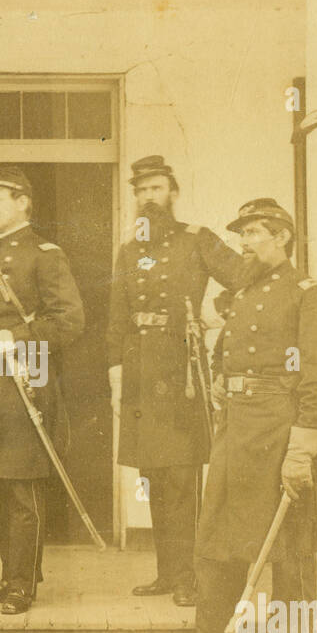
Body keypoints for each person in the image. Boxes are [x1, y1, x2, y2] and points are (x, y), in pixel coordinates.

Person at [159, 198, 317, 633]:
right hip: (235, 433)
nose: (245, 244)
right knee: (214, 553)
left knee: (287, 561)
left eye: (256, 234)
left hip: (281, 435)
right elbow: (230, 354)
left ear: (284, 237)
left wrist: (302, 451)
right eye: (242, 235)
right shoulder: (241, 294)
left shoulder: (311, 296)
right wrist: (223, 378)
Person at [107, 155, 244, 607]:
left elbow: (244, 277)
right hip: (143, 371)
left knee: (183, 477)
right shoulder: (128, 252)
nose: (149, 197)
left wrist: (223, 312)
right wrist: (115, 371)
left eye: (157, 188)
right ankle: (167, 574)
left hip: (182, 368)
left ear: (173, 192)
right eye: (142, 190)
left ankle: (189, 577)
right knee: (156, 478)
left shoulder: (197, 240)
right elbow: (116, 318)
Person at [0, 168, 86, 616]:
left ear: (23, 202)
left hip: (25, 385)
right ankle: (10, 575)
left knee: (22, 490)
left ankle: (22, 584)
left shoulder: (46, 256)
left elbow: (70, 321)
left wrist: (18, 337)